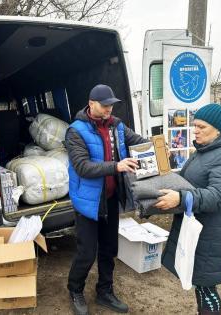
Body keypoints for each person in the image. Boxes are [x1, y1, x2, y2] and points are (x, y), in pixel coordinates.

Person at [155, 103, 221, 315]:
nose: (195, 130)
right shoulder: (205, 150)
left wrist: (181, 197)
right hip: (199, 230)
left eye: (201, 127)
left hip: (211, 235)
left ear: (218, 129)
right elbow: (190, 180)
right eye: (195, 125)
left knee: (207, 288)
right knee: (200, 284)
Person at [66, 84, 146, 315]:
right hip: (88, 201)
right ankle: (75, 290)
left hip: (110, 198)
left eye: (111, 105)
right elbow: (82, 167)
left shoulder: (117, 125)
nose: (109, 109)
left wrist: (161, 148)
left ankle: (105, 291)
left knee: (110, 248)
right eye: (105, 105)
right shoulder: (76, 131)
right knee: (87, 251)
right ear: (91, 104)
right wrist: (116, 166)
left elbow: (139, 141)